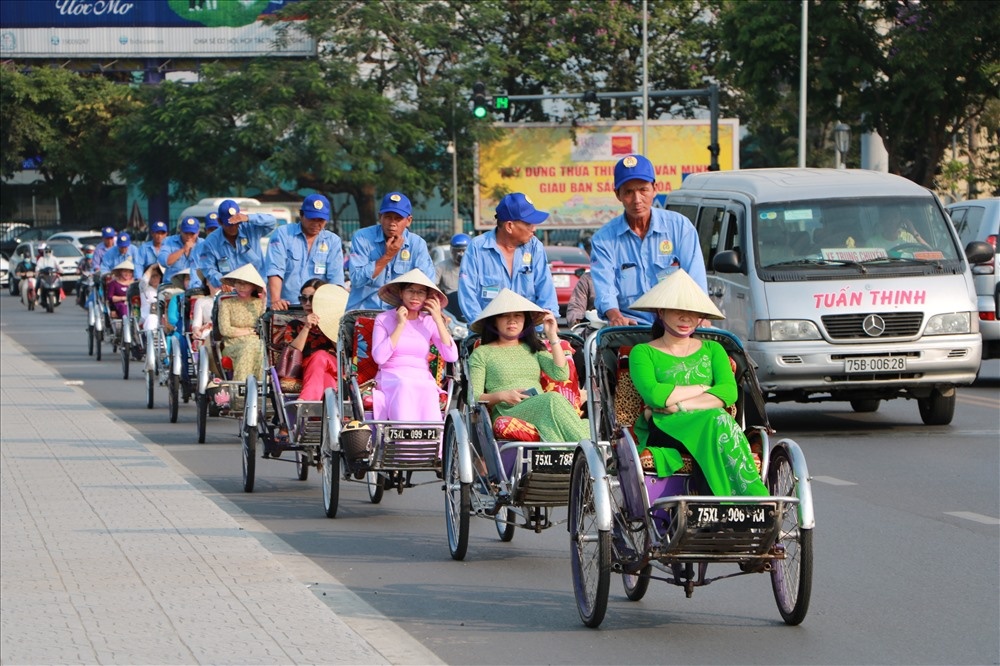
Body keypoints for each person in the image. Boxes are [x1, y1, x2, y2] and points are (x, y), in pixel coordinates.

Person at [627, 269, 767, 497]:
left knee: (716, 420)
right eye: (678, 310)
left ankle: (712, 509)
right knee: (717, 418)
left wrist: (680, 405)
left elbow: (728, 392)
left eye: (693, 312)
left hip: (708, 424)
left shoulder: (714, 349)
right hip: (665, 428)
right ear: (661, 312)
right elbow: (654, 394)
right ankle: (750, 500)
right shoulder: (642, 352)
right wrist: (702, 389)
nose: (686, 318)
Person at [590, 154, 707, 326]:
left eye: (643, 190)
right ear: (618, 194)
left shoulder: (680, 227)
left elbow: (696, 282)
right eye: (629, 192)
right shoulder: (604, 239)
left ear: (654, 189)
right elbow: (605, 289)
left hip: (677, 327)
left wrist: (700, 318)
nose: (637, 200)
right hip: (631, 328)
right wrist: (615, 316)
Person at [469, 288, 589, 443]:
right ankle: (591, 453)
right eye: (504, 316)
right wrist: (502, 396)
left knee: (571, 413)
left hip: (540, 403)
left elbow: (560, 374)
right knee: (553, 399)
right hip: (507, 408)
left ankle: (571, 455)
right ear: (494, 321)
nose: (512, 320)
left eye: (517, 316)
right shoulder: (482, 353)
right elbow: (474, 397)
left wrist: (552, 335)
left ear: (525, 321)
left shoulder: (534, 348)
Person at [457, 193, 559, 324]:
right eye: (529, 224)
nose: (534, 229)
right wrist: (484, 330)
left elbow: (546, 290)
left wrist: (544, 325)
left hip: (529, 333)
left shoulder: (534, 247)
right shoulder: (477, 248)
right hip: (487, 336)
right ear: (509, 226)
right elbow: (467, 295)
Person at [370, 269, 458, 422]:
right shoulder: (383, 319)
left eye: (421, 292)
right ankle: (403, 438)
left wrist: (437, 319)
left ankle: (429, 442)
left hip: (422, 377)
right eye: (410, 291)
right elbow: (379, 358)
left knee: (429, 388)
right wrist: (400, 325)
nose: (415, 297)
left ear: (427, 297)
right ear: (401, 293)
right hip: (391, 377)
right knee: (405, 384)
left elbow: (452, 356)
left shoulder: (429, 322)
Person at [346, 192, 435, 311]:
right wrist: (387, 256)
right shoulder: (362, 237)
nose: (392, 223)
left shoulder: (417, 244)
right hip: (364, 310)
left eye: (398, 219)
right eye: (388, 217)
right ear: (380, 217)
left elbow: (427, 284)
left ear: (409, 220)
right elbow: (357, 280)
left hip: (401, 313)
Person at [266, 194, 345, 309]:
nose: (316, 224)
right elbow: (275, 269)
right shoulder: (283, 234)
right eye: (312, 219)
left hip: (317, 308)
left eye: (321, 220)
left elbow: (336, 278)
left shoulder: (333, 241)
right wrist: (276, 300)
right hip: (285, 306)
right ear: (301, 215)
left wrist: (333, 308)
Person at [280, 279, 348, 401]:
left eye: (312, 299)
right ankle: (327, 416)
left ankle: (306, 401)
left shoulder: (336, 322)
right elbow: (293, 352)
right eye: (303, 299)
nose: (307, 303)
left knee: (320, 355)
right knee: (327, 379)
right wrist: (306, 327)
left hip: (335, 365)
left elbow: (342, 351)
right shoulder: (295, 324)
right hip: (307, 368)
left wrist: (328, 324)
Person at [198, 199, 277, 294]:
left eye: (236, 223)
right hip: (232, 292)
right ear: (219, 222)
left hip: (258, 290)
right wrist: (221, 281)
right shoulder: (211, 241)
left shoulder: (250, 228)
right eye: (229, 224)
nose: (233, 227)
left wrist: (248, 217)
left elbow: (272, 222)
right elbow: (208, 267)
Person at [217, 264, 266, 383]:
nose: (242, 287)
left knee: (261, 347)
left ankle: (261, 387)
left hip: (256, 342)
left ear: (253, 286)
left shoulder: (259, 304)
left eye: (246, 283)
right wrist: (249, 331)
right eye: (238, 283)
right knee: (251, 346)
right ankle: (240, 387)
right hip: (232, 344)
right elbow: (225, 330)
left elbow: (263, 325)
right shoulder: (226, 304)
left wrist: (265, 297)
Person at [159, 217, 204, 289]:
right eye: (186, 233)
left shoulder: (203, 244)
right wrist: (183, 249)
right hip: (171, 286)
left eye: (192, 234)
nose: (189, 237)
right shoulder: (169, 241)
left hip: (196, 288)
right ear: (180, 230)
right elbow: (164, 262)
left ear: (198, 233)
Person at [139, 264, 163, 331]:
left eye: (156, 276)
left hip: (162, 316)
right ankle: (152, 340)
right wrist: (151, 268)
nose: (154, 278)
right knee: (152, 318)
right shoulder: (144, 289)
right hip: (147, 317)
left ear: (160, 276)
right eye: (152, 276)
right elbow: (144, 281)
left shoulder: (164, 289)